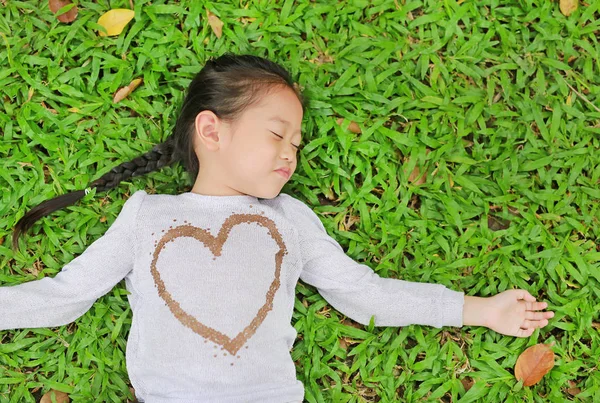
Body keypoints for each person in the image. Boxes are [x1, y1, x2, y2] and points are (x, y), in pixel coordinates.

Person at [5, 53, 554, 403]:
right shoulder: (147, 216)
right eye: (277, 134)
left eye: (296, 143)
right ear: (210, 131)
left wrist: (478, 309)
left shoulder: (289, 220)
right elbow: (65, 295)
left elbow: (363, 293)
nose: (291, 153)